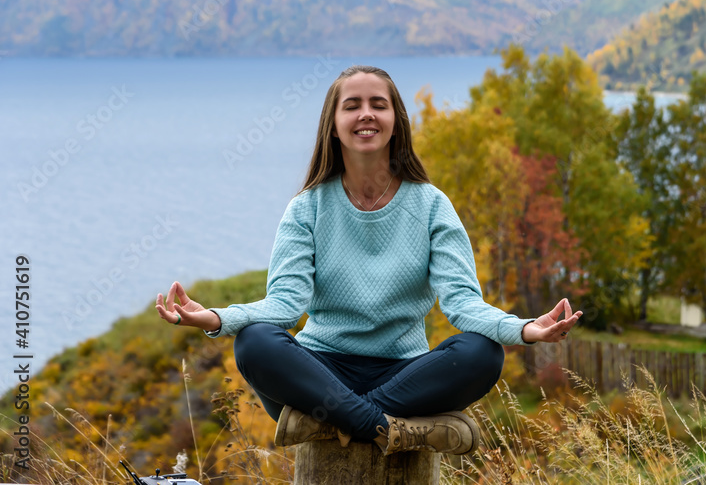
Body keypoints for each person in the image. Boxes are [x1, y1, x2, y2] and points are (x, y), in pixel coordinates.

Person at [155, 65, 581, 456]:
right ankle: (391, 428)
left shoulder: (432, 206)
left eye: (379, 104)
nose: (366, 114)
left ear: (396, 122)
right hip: (320, 373)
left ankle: (329, 425)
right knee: (256, 342)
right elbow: (284, 305)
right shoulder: (307, 208)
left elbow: (462, 305)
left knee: (483, 353)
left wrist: (525, 329)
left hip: (406, 377)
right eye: (352, 105)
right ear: (334, 125)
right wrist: (214, 318)